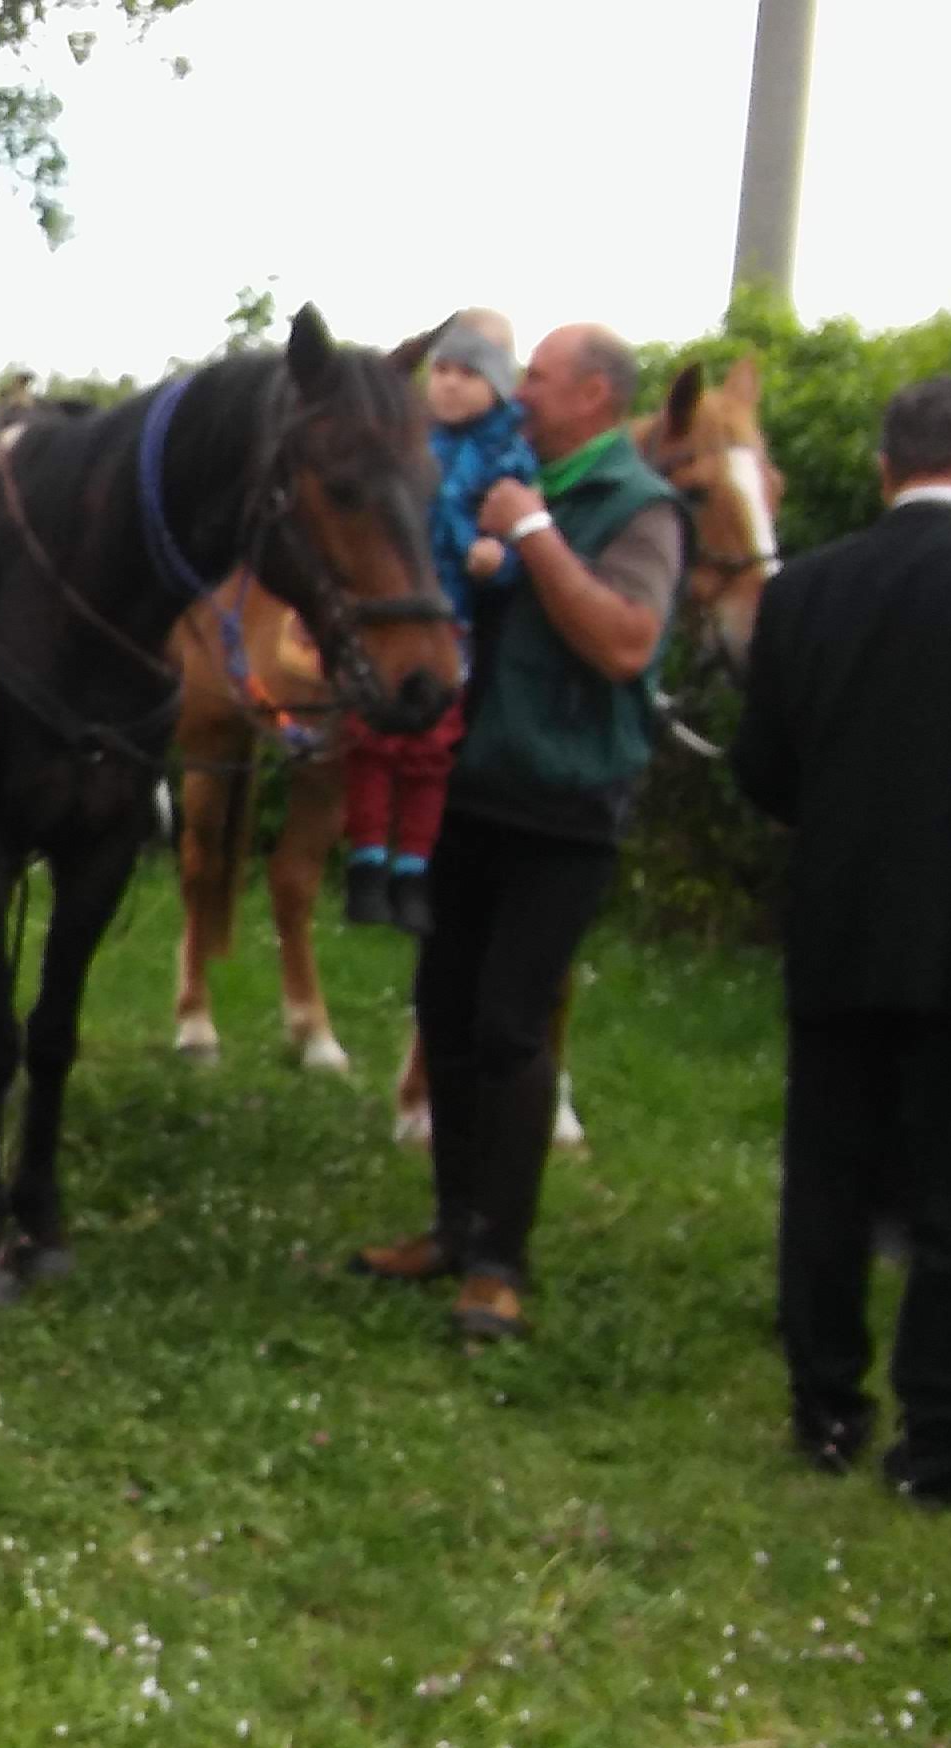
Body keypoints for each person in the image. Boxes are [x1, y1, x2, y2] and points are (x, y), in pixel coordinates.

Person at [732, 376, 951, 1505]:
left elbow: (762, 768)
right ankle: (938, 1444)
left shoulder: (804, 587)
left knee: (827, 1180)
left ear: (885, 469)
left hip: (839, 921)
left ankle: (826, 1409)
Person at [347, 324, 686, 1340]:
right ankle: (452, 1228)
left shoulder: (638, 506)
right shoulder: (496, 471)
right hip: (467, 787)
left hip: (563, 806)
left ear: (594, 395)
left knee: (510, 1024)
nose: (520, 391)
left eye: (538, 376)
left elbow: (625, 644)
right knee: (445, 1010)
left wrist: (534, 535)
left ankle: (501, 1261)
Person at [339, 309, 532, 936]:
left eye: (467, 374)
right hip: (390, 613)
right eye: (441, 369)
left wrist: (497, 559)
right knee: (371, 738)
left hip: (451, 618)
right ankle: (367, 861)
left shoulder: (508, 455)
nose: (447, 383)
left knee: (430, 748)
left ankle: (413, 869)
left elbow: (521, 539)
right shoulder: (404, 440)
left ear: (497, 386)